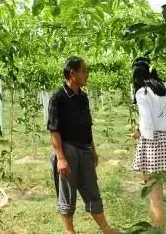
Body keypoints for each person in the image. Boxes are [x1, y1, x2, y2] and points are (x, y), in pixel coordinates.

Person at [47, 56, 121, 234]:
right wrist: (61, 158)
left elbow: (87, 126)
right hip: (67, 149)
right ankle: (69, 231)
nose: (87, 75)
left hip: (84, 150)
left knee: (92, 189)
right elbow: (54, 130)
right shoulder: (58, 98)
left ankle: (106, 229)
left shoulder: (83, 97)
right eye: (84, 71)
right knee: (67, 194)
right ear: (72, 73)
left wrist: (93, 150)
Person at [131, 57, 166, 228]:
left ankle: (159, 231)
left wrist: (139, 134)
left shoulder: (142, 92)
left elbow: (147, 123)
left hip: (153, 143)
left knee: (155, 196)